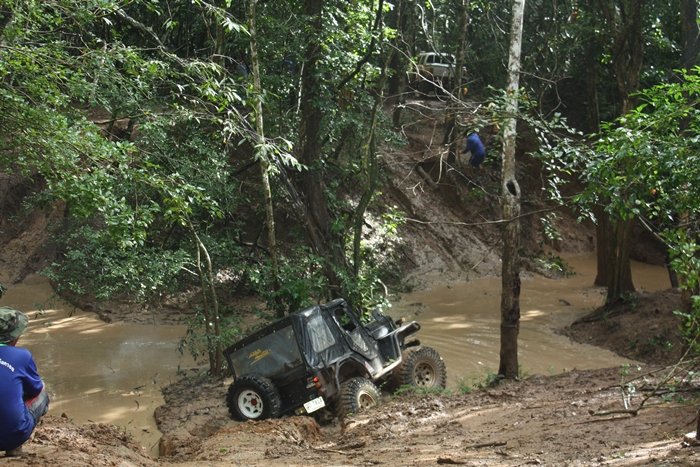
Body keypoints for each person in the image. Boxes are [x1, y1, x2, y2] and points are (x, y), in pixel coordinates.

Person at [0, 307, 49, 457]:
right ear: (14, 337)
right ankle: (15, 449)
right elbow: (35, 389)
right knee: (42, 393)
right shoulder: (22, 356)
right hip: (11, 437)